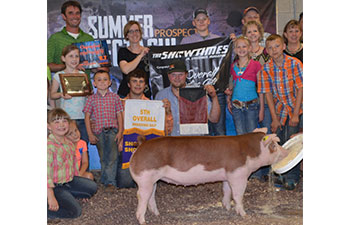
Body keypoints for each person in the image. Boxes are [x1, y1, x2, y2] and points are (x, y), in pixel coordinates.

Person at [257, 34, 303, 190]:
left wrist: (296, 114)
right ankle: (282, 175)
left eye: (277, 46)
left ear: (283, 46)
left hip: (299, 107)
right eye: (270, 48)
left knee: (295, 141)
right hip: (280, 111)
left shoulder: (295, 63)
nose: (274, 50)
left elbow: (301, 88)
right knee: (283, 143)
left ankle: (292, 178)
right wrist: (275, 118)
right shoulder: (266, 69)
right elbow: (268, 94)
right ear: (266, 51)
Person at [117, 68, 173, 188]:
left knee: (150, 182)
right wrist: (119, 140)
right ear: (128, 84)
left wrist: (166, 112)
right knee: (125, 183)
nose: (138, 84)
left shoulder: (155, 106)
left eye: (141, 81)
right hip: (127, 148)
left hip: (148, 151)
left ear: (145, 85)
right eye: (134, 81)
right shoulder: (120, 105)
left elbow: (166, 132)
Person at [180, 8, 226, 137]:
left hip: (216, 91)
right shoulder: (186, 42)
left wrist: (230, 43)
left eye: (204, 19)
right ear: (194, 23)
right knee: (201, 133)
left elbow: (226, 63)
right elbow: (182, 65)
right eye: (198, 20)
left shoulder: (219, 40)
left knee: (219, 131)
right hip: (195, 93)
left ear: (208, 21)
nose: (201, 22)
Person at [47, 108, 97, 219]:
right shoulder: (49, 146)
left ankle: (67, 195)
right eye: (56, 122)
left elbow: (73, 164)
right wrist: (50, 195)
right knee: (75, 212)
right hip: (54, 186)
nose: (61, 125)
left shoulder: (69, 143)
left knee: (92, 187)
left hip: (68, 180)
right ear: (49, 126)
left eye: (64, 121)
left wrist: (79, 183)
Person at [155, 60, 220, 136]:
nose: (177, 78)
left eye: (180, 74)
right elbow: (155, 124)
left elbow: (214, 119)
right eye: (173, 75)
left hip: (194, 143)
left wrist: (214, 97)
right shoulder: (160, 96)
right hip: (172, 144)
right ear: (169, 76)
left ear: (186, 75)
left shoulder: (197, 92)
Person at [83, 70, 123, 190]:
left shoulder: (115, 98)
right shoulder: (91, 99)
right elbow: (87, 116)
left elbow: (120, 115)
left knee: (112, 156)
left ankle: (110, 182)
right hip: (98, 132)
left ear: (110, 82)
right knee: (103, 156)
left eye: (105, 79)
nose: (102, 82)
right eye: (99, 80)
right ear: (94, 83)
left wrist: (121, 131)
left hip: (113, 131)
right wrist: (90, 133)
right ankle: (106, 179)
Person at [50, 44, 89, 144]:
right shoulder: (59, 75)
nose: (74, 59)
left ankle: (84, 160)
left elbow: (87, 94)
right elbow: (52, 95)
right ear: (63, 58)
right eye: (71, 56)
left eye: (76, 56)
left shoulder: (82, 75)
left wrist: (88, 93)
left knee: (83, 145)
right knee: (67, 146)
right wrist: (61, 94)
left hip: (82, 116)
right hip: (67, 118)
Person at [225, 37, 262, 135]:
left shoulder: (256, 65)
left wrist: (261, 108)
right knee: (240, 133)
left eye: (244, 46)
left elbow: (261, 88)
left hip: (252, 104)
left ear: (249, 48)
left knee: (251, 134)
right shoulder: (233, 66)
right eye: (238, 47)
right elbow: (232, 85)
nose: (241, 49)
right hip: (236, 105)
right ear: (235, 50)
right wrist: (229, 98)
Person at [242, 20, 271, 133]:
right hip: (249, 99)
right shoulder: (241, 54)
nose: (252, 34)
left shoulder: (267, 53)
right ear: (245, 35)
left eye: (255, 31)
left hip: (267, 99)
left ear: (260, 33)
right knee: (251, 134)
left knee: (268, 132)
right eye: (249, 32)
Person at [47, 1, 93, 73]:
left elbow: (93, 66)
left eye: (77, 13)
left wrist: (100, 67)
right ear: (64, 16)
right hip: (62, 83)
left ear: (80, 16)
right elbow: (47, 65)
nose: (75, 16)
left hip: (85, 83)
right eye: (70, 13)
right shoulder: (55, 38)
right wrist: (68, 66)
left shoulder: (89, 38)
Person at [117, 21, 151, 98]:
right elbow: (126, 70)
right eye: (131, 31)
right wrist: (141, 55)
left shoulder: (148, 51)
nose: (134, 34)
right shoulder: (123, 51)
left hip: (144, 94)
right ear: (127, 35)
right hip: (125, 93)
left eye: (136, 31)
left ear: (140, 33)